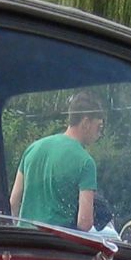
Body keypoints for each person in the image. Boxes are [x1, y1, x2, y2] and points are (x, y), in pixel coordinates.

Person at [9, 92, 104, 231]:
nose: (100, 134)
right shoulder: (86, 162)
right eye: (99, 127)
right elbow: (84, 223)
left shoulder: (32, 149)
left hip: (26, 243)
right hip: (57, 247)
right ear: (85, 123)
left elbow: (13, 202)